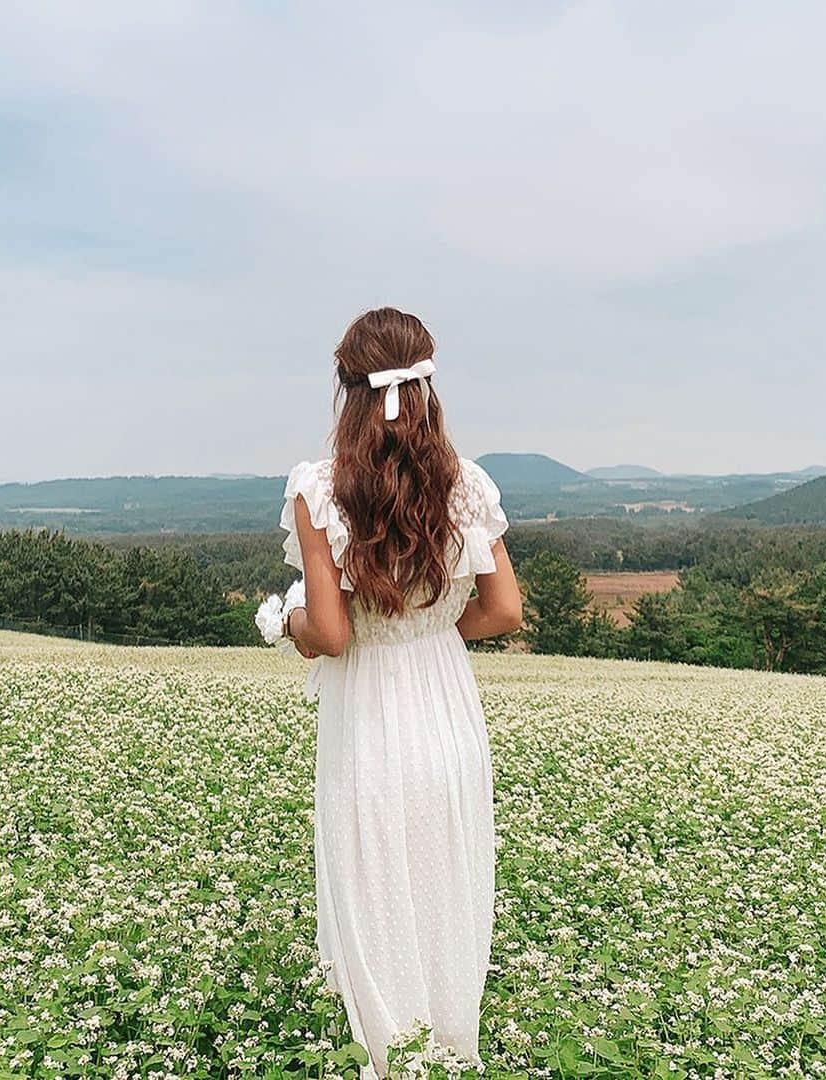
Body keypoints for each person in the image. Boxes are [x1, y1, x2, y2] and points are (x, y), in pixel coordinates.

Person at [278, 307, 522, 1076]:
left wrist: (283, 620)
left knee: (377, 889)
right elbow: (505, 611)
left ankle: (395, 1061)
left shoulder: (320, 491)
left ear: (348, 391)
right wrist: (435, 634)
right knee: (446, 885)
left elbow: (333, 633)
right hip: (447, 709)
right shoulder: (468, 484)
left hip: (372, 720)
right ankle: (449, 1052)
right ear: (427, 388)